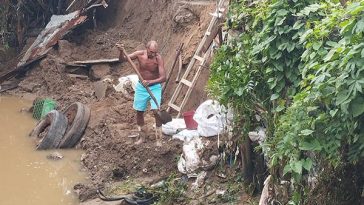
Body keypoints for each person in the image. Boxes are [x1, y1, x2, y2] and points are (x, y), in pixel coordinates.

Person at [116, 41, 166, 146]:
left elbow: (163, 77)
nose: (153, 54)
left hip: (155, 87)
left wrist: (150, 82)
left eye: (155, 52)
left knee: (156, 111)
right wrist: (121, 52)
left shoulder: (158, 58)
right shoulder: (139, 54)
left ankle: (159, 140)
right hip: (141, 87)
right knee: (139, 112)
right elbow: (122, 59)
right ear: (146, 49)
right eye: (151, 52)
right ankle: (142, 137)